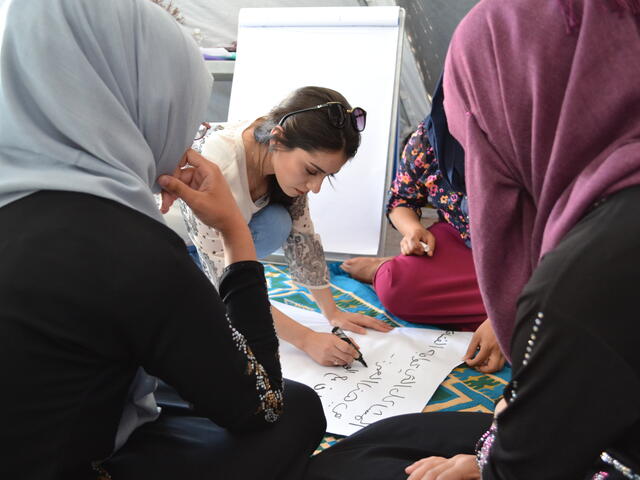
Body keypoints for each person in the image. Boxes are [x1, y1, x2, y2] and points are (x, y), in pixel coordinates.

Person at [304, 0, 640, 478]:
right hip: (476, 255)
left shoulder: (580, 285)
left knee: (341, 466)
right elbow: (403, 200)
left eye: (476, 118)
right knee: (386, 431)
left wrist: (481, 465)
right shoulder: (593, 222)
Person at [0, 1, 325, 479]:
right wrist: (235, 230)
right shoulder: (128, 249)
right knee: (297, 409)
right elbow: (264, 404)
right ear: (138, 101)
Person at [175, 86, 393, 367]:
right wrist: (305, 338)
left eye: (327, 177)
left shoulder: (279, 154)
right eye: (312, 171)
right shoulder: (219, 164)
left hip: (215, 244)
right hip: (171, 246)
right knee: (212, 314)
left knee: (278, 222)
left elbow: (303, 237)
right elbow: (223, 277)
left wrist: (332, 313)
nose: (315, 187)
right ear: (277, 139)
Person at [341, 77, 504, 373]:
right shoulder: (431, 137)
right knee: (397, 287)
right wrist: (412, 230)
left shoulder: (533, 136)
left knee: (569, 313)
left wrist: (505, 315)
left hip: (532, 260)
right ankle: (386, 270)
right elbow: (402, 200)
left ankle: (509, 320)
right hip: (462, 243)